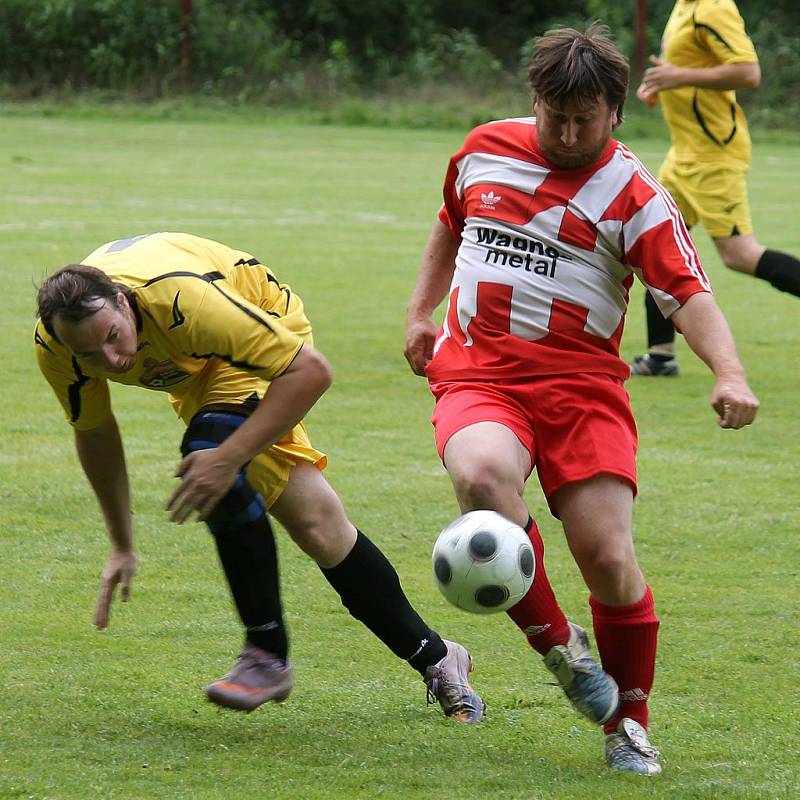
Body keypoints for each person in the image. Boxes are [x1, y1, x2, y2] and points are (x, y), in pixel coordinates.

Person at [403, 24, 758, 775]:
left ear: (616, 114)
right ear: (534, 100)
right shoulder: (483, 150)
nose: (566, 134)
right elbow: (449, 225)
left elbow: (688, 293)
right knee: (481, 478)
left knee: (607, 557)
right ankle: (561, 649)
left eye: (584, 121)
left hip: (582, 390)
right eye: (553, 116)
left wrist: (729, 372)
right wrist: (419, 312)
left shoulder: (635, 196)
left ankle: (628, 724)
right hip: (480, 373)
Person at [34, 231, 484, 722]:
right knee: (318, 526)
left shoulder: (185, 300)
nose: (113, 361)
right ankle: (440, 658)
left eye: (113, 338)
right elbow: (95, 432)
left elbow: (311, 372)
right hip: (194, 368)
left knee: (210, 460)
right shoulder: (55, 348)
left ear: (122, 302)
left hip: (264, 323)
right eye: (90, 356)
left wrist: (228, 458)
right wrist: (122, 544)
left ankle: (266, 654)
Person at [631, 0, 800, 376]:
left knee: (739, 254)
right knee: (655, 241)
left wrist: (679, 77)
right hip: (684, 154)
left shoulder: (714, 7)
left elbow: (748, 73)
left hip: (714, 155)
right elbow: (683, 66)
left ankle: (661, 355)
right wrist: (660, 84)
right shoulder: (683, 7)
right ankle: (661, 356)